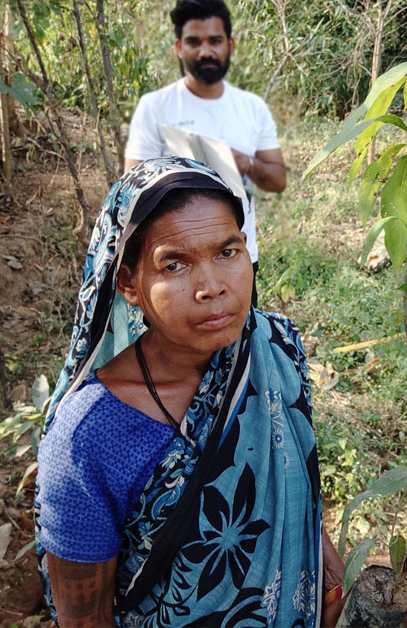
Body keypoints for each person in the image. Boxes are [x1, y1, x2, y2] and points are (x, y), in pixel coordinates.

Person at [34, 158, 344, 627]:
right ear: (128, 284)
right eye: (174, 263)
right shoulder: (88, 438)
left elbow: (292, 465)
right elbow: (83, 619)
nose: (213, 287)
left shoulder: (276, 346)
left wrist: (319, 549)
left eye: (227, 252)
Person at [124, 0, 287, 299]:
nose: (205, 51)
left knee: (238, 341)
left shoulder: (251, 108)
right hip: (176, 266)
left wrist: (248, 165)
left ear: (230, 45)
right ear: (178, 48)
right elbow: (132, 187)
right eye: (194, 42)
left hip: (237, 255)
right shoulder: (156, 107)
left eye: (215, 40)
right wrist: (182, 170)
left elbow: (278, 180)